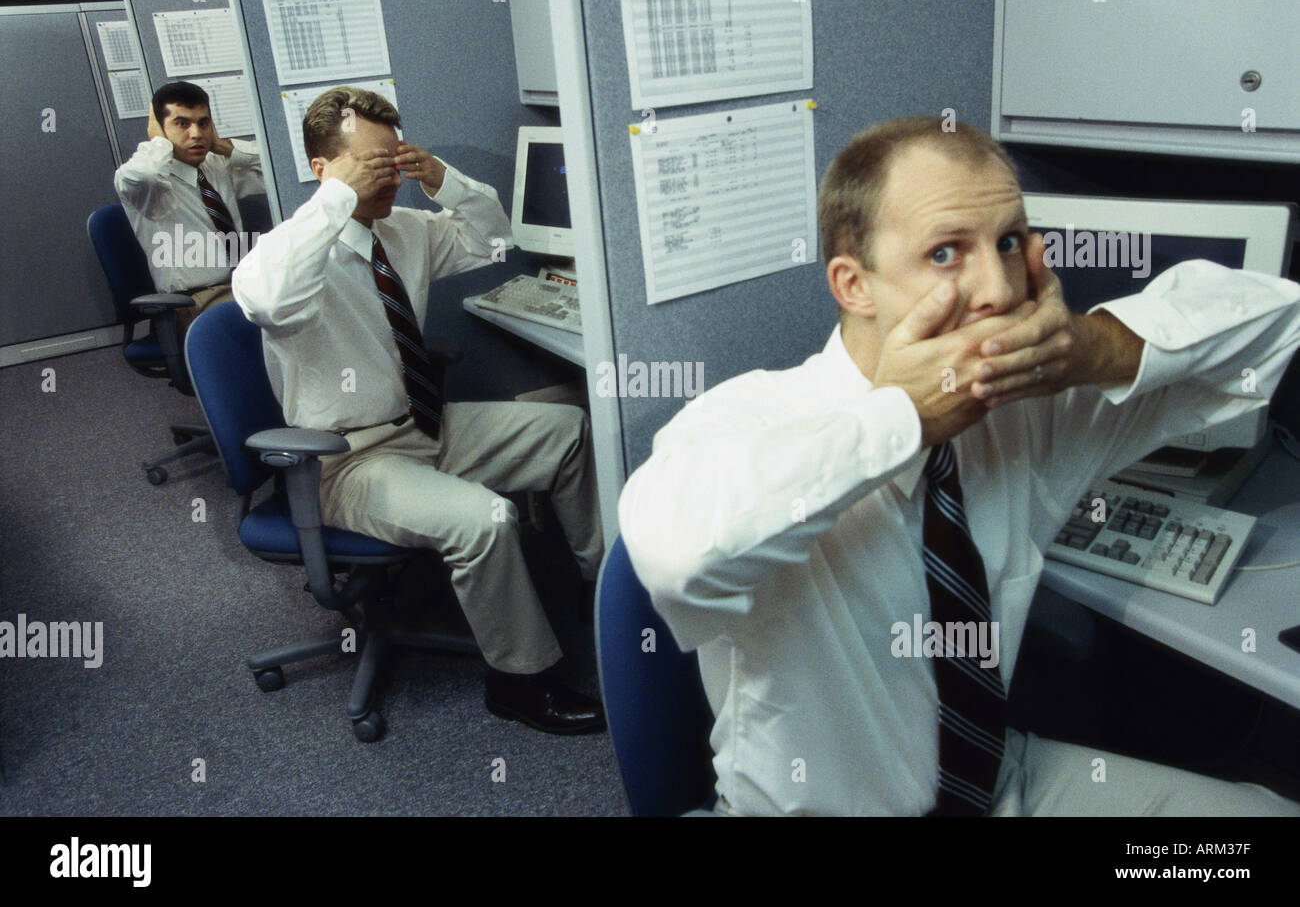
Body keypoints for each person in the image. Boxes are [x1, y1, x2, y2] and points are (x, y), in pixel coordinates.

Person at [618, 116, 1300, 815]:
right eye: (946, 253)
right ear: (854, 285)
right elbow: (675, 554)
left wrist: (1092, 348)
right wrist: (901, 419)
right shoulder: (752, 419)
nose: (1000, 290)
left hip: (1005, 786)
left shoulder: (1020, 411)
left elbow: (1279, 323)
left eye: (1008, 242)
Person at [232, 86, 604, 735]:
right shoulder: (289, 253)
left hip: (425, 426)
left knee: (568, 429)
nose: (386, 178)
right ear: (324, 171)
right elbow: (268, 300)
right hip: (349, 460)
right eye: (368, 164)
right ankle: (521, 681)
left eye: (392, 159)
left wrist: (438, 178)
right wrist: (337, 200)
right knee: (485, 519)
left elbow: (492, 238)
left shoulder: (403, 232)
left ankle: (604, 587)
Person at [114, 81, 265, 334]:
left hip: (243, 283)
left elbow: (278, 167)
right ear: (160, 129)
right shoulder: (144, 184)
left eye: (203, 123)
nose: (196, 134)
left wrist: (220, 145)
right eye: (182, 124)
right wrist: (159, 141)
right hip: (196, 300)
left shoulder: (215, 165)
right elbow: (147, 173)